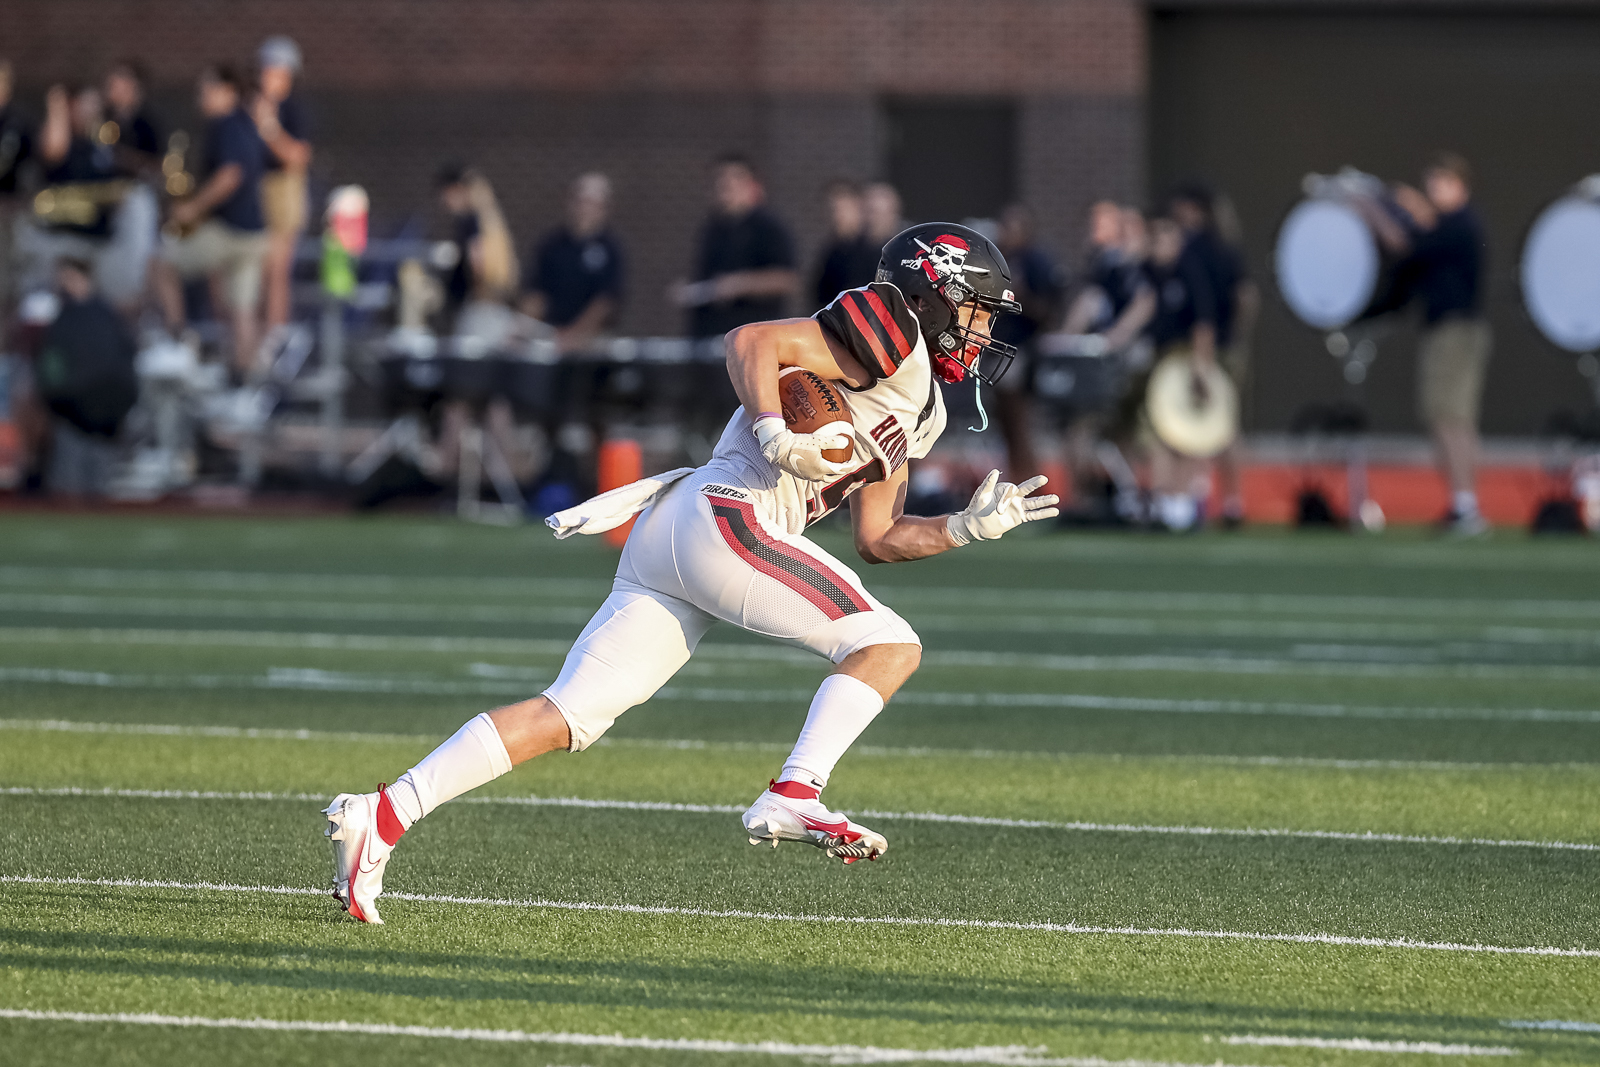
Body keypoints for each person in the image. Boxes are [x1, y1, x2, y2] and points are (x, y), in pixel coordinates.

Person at [321, 222, 1059, 923]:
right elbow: (751, 340)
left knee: (567, 715)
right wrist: (774, 428)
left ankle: (380, 814)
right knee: (889, 645)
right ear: (930, 291)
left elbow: (879, 534)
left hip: (681, 530)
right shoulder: (889, 326)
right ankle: (795, 790)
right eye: (975, 309)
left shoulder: (920, 404)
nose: (984, 331)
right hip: (728, 512)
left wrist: (964, 526)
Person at [1363, 154, 1489, 536]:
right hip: (1446, 330)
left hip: (1455, 331)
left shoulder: (1459, 225)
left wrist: (1373, 210)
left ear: (1461, 186)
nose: (1435, 191)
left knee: (1451, 417)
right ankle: (1461, 503)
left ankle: (1466, 505)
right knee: (1448, 417)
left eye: (1443, 183)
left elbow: (1407, 245)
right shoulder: (1445, 227)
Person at [149, 64, 268, 379]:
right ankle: (247, 379)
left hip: (228, 229)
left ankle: (176, 339)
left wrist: (193, 208)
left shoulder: (225, 125)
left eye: (206, 89)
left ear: (226, 91)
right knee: (242, 309)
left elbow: (230, 176)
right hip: (255, 233)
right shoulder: (248, 124)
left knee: (162, 265)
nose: (200, 97)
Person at [1169, 183, 1258, 528]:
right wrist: (1235, 335)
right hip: (1228, 346)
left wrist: (1201, 357)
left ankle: (1194, 496)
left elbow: (1201, 310)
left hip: (1202, 347)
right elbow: (1247, 297)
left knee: (1194, 423)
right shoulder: (1228, 249)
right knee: (1227, 426)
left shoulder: (1193, 251)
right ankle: (1233, 502)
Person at [1140, 211, 1219, 532]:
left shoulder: (1189, 273)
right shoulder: (1150, 274)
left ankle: (1184, 499)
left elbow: (1203, 324)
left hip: (1182, 360)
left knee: (1184, 432)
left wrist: (1201, 367)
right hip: (1160, 359)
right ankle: (1165, 497)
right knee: (1159, 431)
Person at [34, 257, 137, 498]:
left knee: (99, 488)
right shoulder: (65, 316)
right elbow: (51, 362)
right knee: (68, 487)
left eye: (68, 278)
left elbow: (124, 360)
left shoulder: (106, 316)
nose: (63, 285)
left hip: (103, 410)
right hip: (71, 410)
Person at [674, 155, 798, 339]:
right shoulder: (712, 229)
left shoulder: (767, 226)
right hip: (711, 336)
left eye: (735, 178)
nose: (726, 184)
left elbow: (787, 279)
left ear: (752, 185)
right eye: (721, 179)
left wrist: (739, 284)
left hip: (753, 336)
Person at [989, 204, 1064, 481]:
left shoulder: (1036, 262)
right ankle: (1015, 473)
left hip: (1022, 348)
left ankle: (1027, 477)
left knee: (1019, 417)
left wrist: (1020, 296)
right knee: (1005, 417)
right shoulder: (999, 260)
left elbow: (1047, 311)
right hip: (998, 345)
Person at [520, 172, 623, 353]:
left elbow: (606, 301)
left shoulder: (610, 249)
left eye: (593, 203)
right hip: (551, 334)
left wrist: (575, 334)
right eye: (581, 201)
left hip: (592, 339)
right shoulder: (552, 244)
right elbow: (536, 292)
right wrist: (524, 326)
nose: (585, 209)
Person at [252, 36, 313, 333]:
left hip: (283, 193)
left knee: (276, 271)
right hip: (254, 191)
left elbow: (297, 157)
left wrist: (268, 127)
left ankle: (275, 335)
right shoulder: (254, 105)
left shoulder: (293, 109)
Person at [810, 179, 878, 311]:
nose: (837, 216)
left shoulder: (873, 249)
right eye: (832, 210)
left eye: (842, 209)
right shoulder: (831, 253)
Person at [102, 60, 163, 179]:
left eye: (114, 86)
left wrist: (120, 156)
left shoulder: (146, 122)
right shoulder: (106, 118)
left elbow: (156, 163)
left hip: (138, 185)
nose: (109, 91)